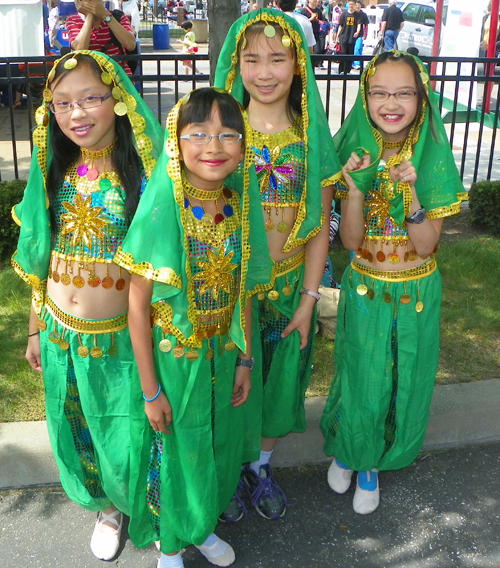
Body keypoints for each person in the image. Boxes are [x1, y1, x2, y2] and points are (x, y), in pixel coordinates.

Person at [11, 50, 163, 560]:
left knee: (125, 429)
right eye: (62, 104)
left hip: (120, 336)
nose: (76, 114)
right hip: (59, 331)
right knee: (75, 427)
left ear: (117, 100)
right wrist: (34, 327)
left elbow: (162, 263)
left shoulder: (144, 174)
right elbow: (40, 254)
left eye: (90, 99)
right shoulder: (55, 168)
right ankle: (107, 508)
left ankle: (146, 502)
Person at [114, 87, 271, 568]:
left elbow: (243, 289)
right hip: (172, 362)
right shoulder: (163, 209)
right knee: (174, 451)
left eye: (228, 135)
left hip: (223, 357)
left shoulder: (241, 204)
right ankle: (171, 542)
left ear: (243, 146)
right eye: (198, 134)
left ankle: (201, 527)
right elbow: (137, 307)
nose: (214, 146)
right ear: (175, 142)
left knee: (217, 445)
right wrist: (149, 390)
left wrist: (245, 359)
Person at [320, 51, 467, 516]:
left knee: (399, 376)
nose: (391, 102)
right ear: (365, 98)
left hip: (416, 291)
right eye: (380, 92)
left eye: (404, 92)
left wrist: (412, 194)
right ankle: (351, 450)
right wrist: (358, 191)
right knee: (361, 374)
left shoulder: (432, 157)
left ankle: (372, 464)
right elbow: (348, 240)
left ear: (421, 99)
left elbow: (425, 246)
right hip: (364, 285)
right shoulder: (355, 152)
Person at [214, 9, 341, 522]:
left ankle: (259, 466)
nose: (264, 72)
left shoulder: (312, 137)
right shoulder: (220, 131)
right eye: (251, 59)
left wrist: (310, 299)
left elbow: (321, 224)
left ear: (298, 64)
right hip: (231, 293)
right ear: (235, 64)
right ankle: (225, 472)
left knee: (282, 380)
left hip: (291, 290)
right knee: (229, 383)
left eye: (277, 58)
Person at [66, 0, 136, 75]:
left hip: (119, 77)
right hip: (89, 78)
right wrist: (89, 16)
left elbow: (131, 45)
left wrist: (105, 15)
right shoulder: (73, 20)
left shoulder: (118, 17)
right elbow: (80, 50)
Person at [336, 0, 361, 74]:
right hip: (343, 36)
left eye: (352, 4)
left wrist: (357, 32)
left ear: (354, 5)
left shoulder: (357, 15)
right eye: (349, 4)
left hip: (352, 37)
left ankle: (348, 70)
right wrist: (337, 36)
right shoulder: (344, 14)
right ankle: (341, 70)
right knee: (343, 54)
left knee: (350, 54)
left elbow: (359, 25)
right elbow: (340, 26)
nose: (351, 6)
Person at [302, 0, 327, 67]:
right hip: (307, 34)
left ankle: (314, 66)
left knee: (317, 51)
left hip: (316, 33)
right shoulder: (304, 10)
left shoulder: (318, 11)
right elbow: (302, 22)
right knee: (307, 51)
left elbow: (322, 21)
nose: (315, 0)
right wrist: (311, 18)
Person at [352, 1, 368, 69]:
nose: (357, 6)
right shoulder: (351, 14)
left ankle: (357, 63)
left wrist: (364, 35)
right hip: (350, 34)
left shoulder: (363, 15)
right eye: (356, 5)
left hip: (360, 35)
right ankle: (351, 63)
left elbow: (366, 26)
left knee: (358, 48)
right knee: (351, 49)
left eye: (359, 5)